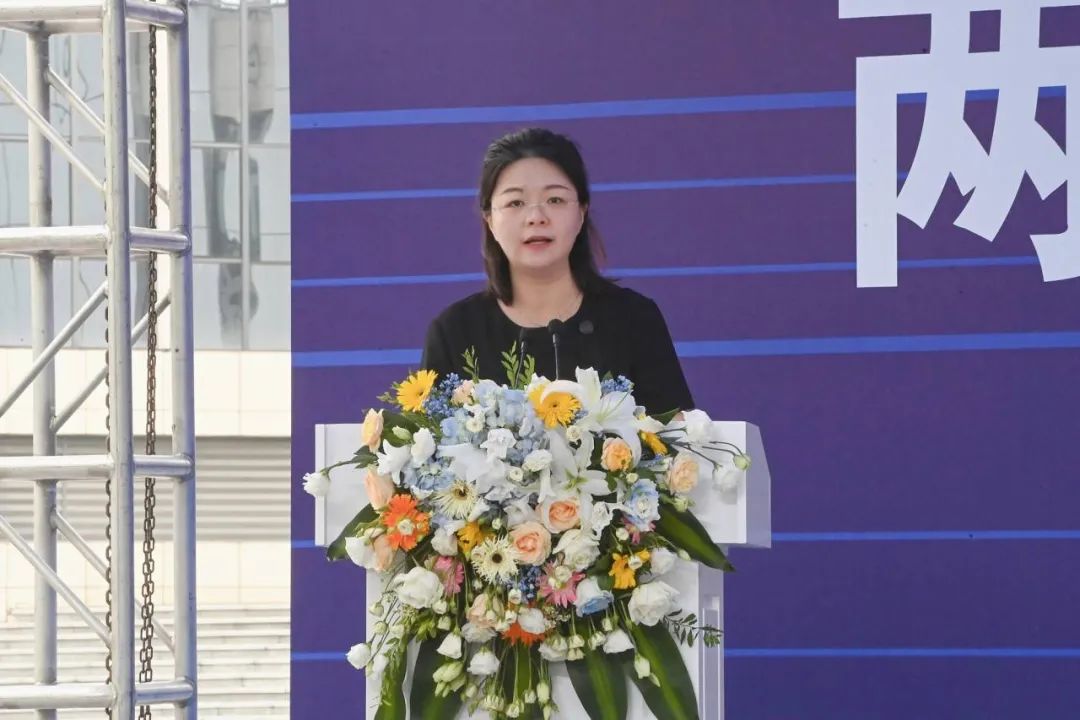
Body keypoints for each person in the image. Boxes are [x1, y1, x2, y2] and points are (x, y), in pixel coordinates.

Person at [421, 127, 694, 416]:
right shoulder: (455, 333)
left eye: (555, 200)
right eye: (515, 202)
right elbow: (429, 440)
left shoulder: (634, 320)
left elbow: (679, 436)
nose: (536, 217)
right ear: (490, 219)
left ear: (582, 212)